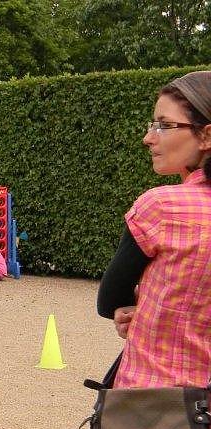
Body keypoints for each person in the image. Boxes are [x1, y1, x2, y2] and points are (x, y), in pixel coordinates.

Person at [97, 71, 211, 389]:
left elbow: (110, 298)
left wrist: (140, 306)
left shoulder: (162, 208)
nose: (149, 138)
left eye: (164, 125)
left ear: (206, 136)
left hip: (155, 402)